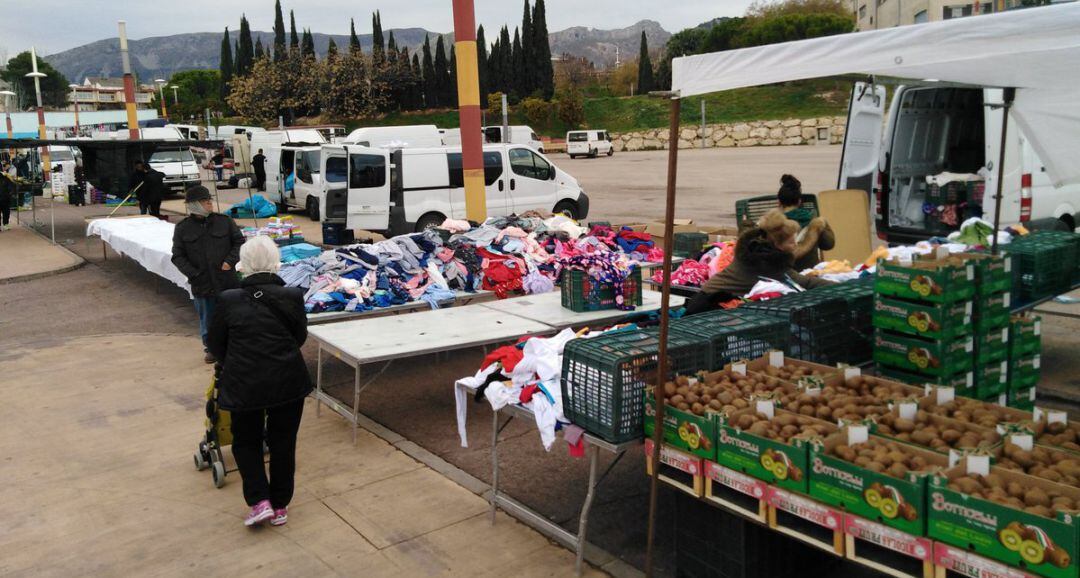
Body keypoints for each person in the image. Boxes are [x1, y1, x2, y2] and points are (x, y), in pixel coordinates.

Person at [207, 235, 311, 528]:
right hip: (288, 381)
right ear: (275, 262)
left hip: (244, 384)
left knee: (246, 441)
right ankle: (280, 504)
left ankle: (259, 500)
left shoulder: (228, 300)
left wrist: (237, 360)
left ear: (244, 264)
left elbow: (216, 344)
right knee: (283, 442)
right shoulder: (292, 296)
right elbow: (298, 337)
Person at [686, 209, 835, 315]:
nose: (795, 245)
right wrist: (845, 286)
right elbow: (803, 283)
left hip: (707, 300)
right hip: (707, 308)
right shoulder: (765, 264)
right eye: (791, 242)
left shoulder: (753, 252)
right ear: (777, 245)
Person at [171, 186, 245, 363]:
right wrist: (194, 274)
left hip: (227, 280)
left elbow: (239, 242)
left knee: (233, 315)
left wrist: (230, 261)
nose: (209, 203)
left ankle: (234, 346)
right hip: (202, 283)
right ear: (193, 205)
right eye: (205, 201)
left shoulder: (224, 221)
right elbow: (177, 256)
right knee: (208, 318)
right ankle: (211, 348)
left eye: (209, 200)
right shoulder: (183, 228)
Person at [776, 174, 835, 271]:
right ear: (799, 202)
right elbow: (828, 244)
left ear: (779, 202)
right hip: (811, 273)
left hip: (784, 274)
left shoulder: (774, 225)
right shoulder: (813, 220)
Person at [0, 161, 15, 231]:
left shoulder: (5, 176)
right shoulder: (6, 176)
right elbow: (11, 186)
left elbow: (11, 186)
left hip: (5, 197)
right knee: (6, 212)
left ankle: (5, 224)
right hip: (5, 197)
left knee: (6, 211)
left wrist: (10, 193)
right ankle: (5, 224)